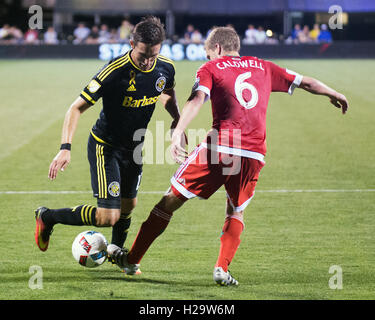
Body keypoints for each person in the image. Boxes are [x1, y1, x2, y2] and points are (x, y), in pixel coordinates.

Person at [107, 26, 349, 285]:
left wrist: (178, 131)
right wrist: (333, 93)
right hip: (254, 152)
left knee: (170, 201)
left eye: (208, 53)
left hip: (222, 146)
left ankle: (132, 260)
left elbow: (197, 99)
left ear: (218, 49)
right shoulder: (264, 66)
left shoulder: (211, 69)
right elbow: (306, 82)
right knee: (236, 210)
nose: (207, 58)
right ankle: (221, 269)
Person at [34, 16, 182, 274]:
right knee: (108, 217)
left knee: (129, 206)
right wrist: (65, 147)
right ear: (131, 43)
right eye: (143, 54)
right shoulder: (114, 71)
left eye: (153, 55)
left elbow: (167, 93)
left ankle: (117, 254)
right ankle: (47, 217)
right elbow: (75, 108)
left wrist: (177, 120)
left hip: (135, 146)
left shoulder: (165, 68)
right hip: (106, 147)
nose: (147, 61)